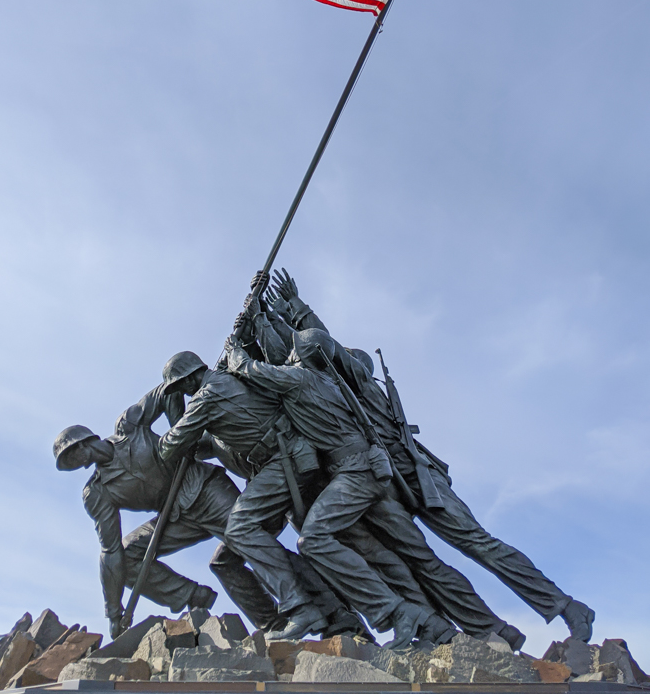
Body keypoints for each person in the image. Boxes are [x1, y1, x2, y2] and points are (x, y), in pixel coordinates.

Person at [266, 269, 596, 644]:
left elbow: (325, 347)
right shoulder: (334, 392)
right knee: (424, 564)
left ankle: (567, 607)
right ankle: (488, 630)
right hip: (389, 482)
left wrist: (298, 311)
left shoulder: (359, 384)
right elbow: (300, 359)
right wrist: (273, 317)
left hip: (418, 478)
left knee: (478, 544)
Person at [158, 347, 372, 641]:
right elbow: (194, 445)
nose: (180, 391)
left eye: (179, 386)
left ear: (189, 379)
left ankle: (304, 610)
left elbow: (169, 446)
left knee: (240, 528)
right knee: (225, 559)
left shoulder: (209, 394)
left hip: (286, 461)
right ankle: (289, 620)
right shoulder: (220, 392)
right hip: (272, 470)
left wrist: (171, 405)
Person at [53, 367, 280, 639]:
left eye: (69, 458)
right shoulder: (97, 493)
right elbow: (110, 551)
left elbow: (166, 392)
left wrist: (181, 435)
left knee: (250, 542)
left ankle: (308, 603)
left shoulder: (128, 426)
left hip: (204, 489)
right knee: (127, 556)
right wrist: (114, 612)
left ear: (80, 444)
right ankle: (199, 598)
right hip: (176, 517)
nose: (72, 465)